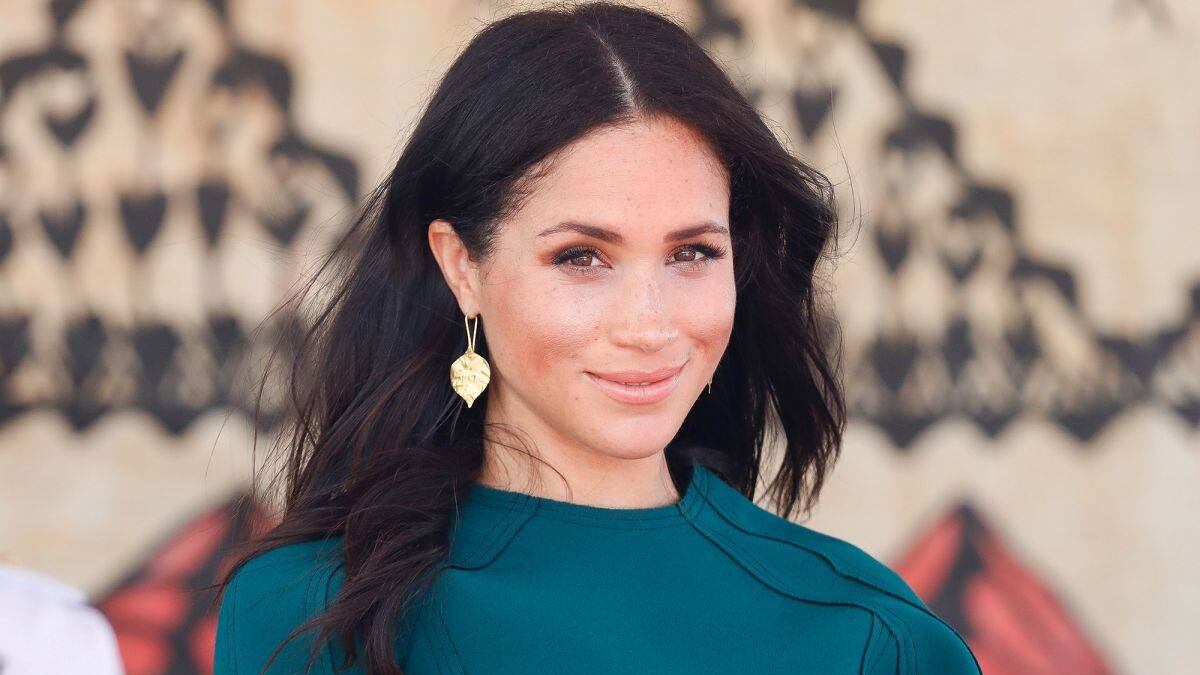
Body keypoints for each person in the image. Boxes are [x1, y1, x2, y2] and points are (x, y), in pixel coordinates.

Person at [212, 2, 982, 673]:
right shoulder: (308, 615)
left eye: (693, 253)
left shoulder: (871, 640)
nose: (648, 324)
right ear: (462, 266)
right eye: (581, 257)